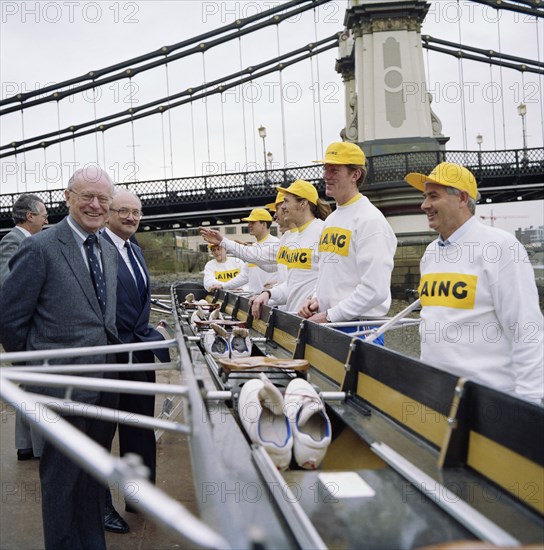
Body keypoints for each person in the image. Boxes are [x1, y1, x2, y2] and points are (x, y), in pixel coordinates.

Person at [0, 165, 119, 550]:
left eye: (103, 198)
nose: (96, 205)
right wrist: (41, 373)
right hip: (60, 391)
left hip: (105, 387)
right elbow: (9, 319)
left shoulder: (108, 247)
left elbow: (105, 319)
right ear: (67, 198)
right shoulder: (39, 248)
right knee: (61, 482)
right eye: (87, 196)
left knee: (92, 478)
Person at [404, 162, 543, 402]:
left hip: (488, 398)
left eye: (433, 196)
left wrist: (530, 402)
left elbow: (526, 327)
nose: (424, 205)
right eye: (425, 196)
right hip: (436, 393)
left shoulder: (500, 247)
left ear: (462, 198)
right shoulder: (430, 254)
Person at [102, 189, 170, 526]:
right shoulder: (96, 249)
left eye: (136, 213)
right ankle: (98, 506)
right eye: (124, 211)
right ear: (109, 213)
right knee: (101, 433)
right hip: (108, 353)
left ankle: (140, 498)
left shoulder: (134, 249)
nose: (131, 218)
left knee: (139, 427)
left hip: (138, 352)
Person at [299, 142, 397, 341]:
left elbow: (375, 290)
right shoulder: (332, 220)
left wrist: (330, 315)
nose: (326, 175)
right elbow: (328, 272)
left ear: (355, 175)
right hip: (331, 322)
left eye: (334, 170)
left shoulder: (371, 221)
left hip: (359, 328)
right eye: (325, 169)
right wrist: (316, 298)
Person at [0, 193, 49, 460]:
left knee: (31, 386)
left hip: (27, 329)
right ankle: (40, 449)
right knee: (39, 386)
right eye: (43, 214)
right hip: (25, 330)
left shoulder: (27, 241)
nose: (47, 219)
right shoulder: (13, 241)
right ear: (30, 216)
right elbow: (9, 288)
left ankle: (26, 446)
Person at [251, 180, 331, 318]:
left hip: (314, 319)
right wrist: (269, 293)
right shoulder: (292, 237)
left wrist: (315, 298)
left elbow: (332, 279)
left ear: (303, 203)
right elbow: (293, 284)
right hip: (294, 316)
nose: (282, 208)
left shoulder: (324, 232)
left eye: (285, 202)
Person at [200, 208, 279, 293]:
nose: (249, 225)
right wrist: (223, 286)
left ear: (264, 224)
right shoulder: (253, 248)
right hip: (255, 301)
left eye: (253, 222)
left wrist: (276, 286)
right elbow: (245, 276)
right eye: (249, 222)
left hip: (272, 302)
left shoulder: (276, 244)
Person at [0, 193, 48, 287]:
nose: (47, 222)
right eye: (44, 217)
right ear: (30, 216)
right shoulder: (11, 240)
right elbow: (6, 281)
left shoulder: (29, 241)